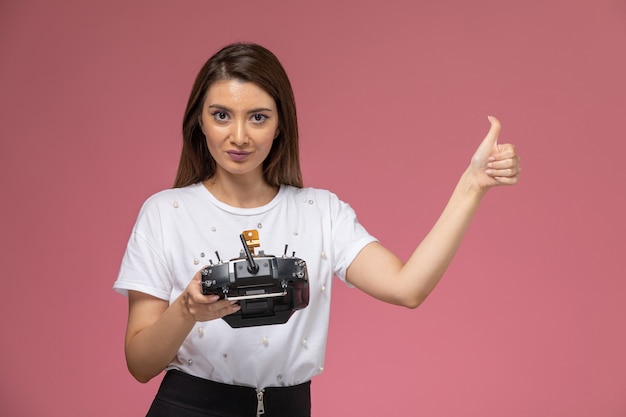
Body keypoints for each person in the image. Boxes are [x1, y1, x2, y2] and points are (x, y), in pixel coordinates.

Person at [114, 42, 520, 417]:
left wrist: (472, 186)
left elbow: (407, 287)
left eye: (258, 117)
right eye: (221, 115)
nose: (238, 136)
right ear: (200, 122)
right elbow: (140, 364)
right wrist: (187, 309)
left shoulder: (320, 212)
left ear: (280, 125)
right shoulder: (165, 214)